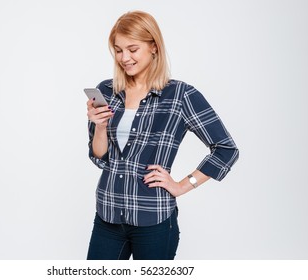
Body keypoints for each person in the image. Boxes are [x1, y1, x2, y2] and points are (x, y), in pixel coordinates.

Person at [85, 10, 239, 260]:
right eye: (118, 49)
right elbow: (100, 158)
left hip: (154, 220)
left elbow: (226, 149)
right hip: (108, 215)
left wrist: (182, 185)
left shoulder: (181, 95)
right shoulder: (106, 90)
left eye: (132, 49)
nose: (124, 58)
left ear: (154, 47)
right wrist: (100, 126)